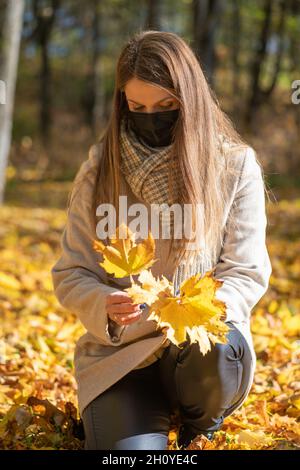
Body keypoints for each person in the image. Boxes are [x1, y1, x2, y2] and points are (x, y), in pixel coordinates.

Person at [51, 30, 272, 450]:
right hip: (120, 359)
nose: (151, 116)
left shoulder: (233, 166)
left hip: (201, 350)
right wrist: (104, 305)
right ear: (123, 105)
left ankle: (198, 421)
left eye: (167, 107)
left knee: (215, 349)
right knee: (129, 457)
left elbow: (247, 270)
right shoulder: (100, 169)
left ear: (190, 101)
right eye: (138, 107)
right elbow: (71, 271)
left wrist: (201, 308)